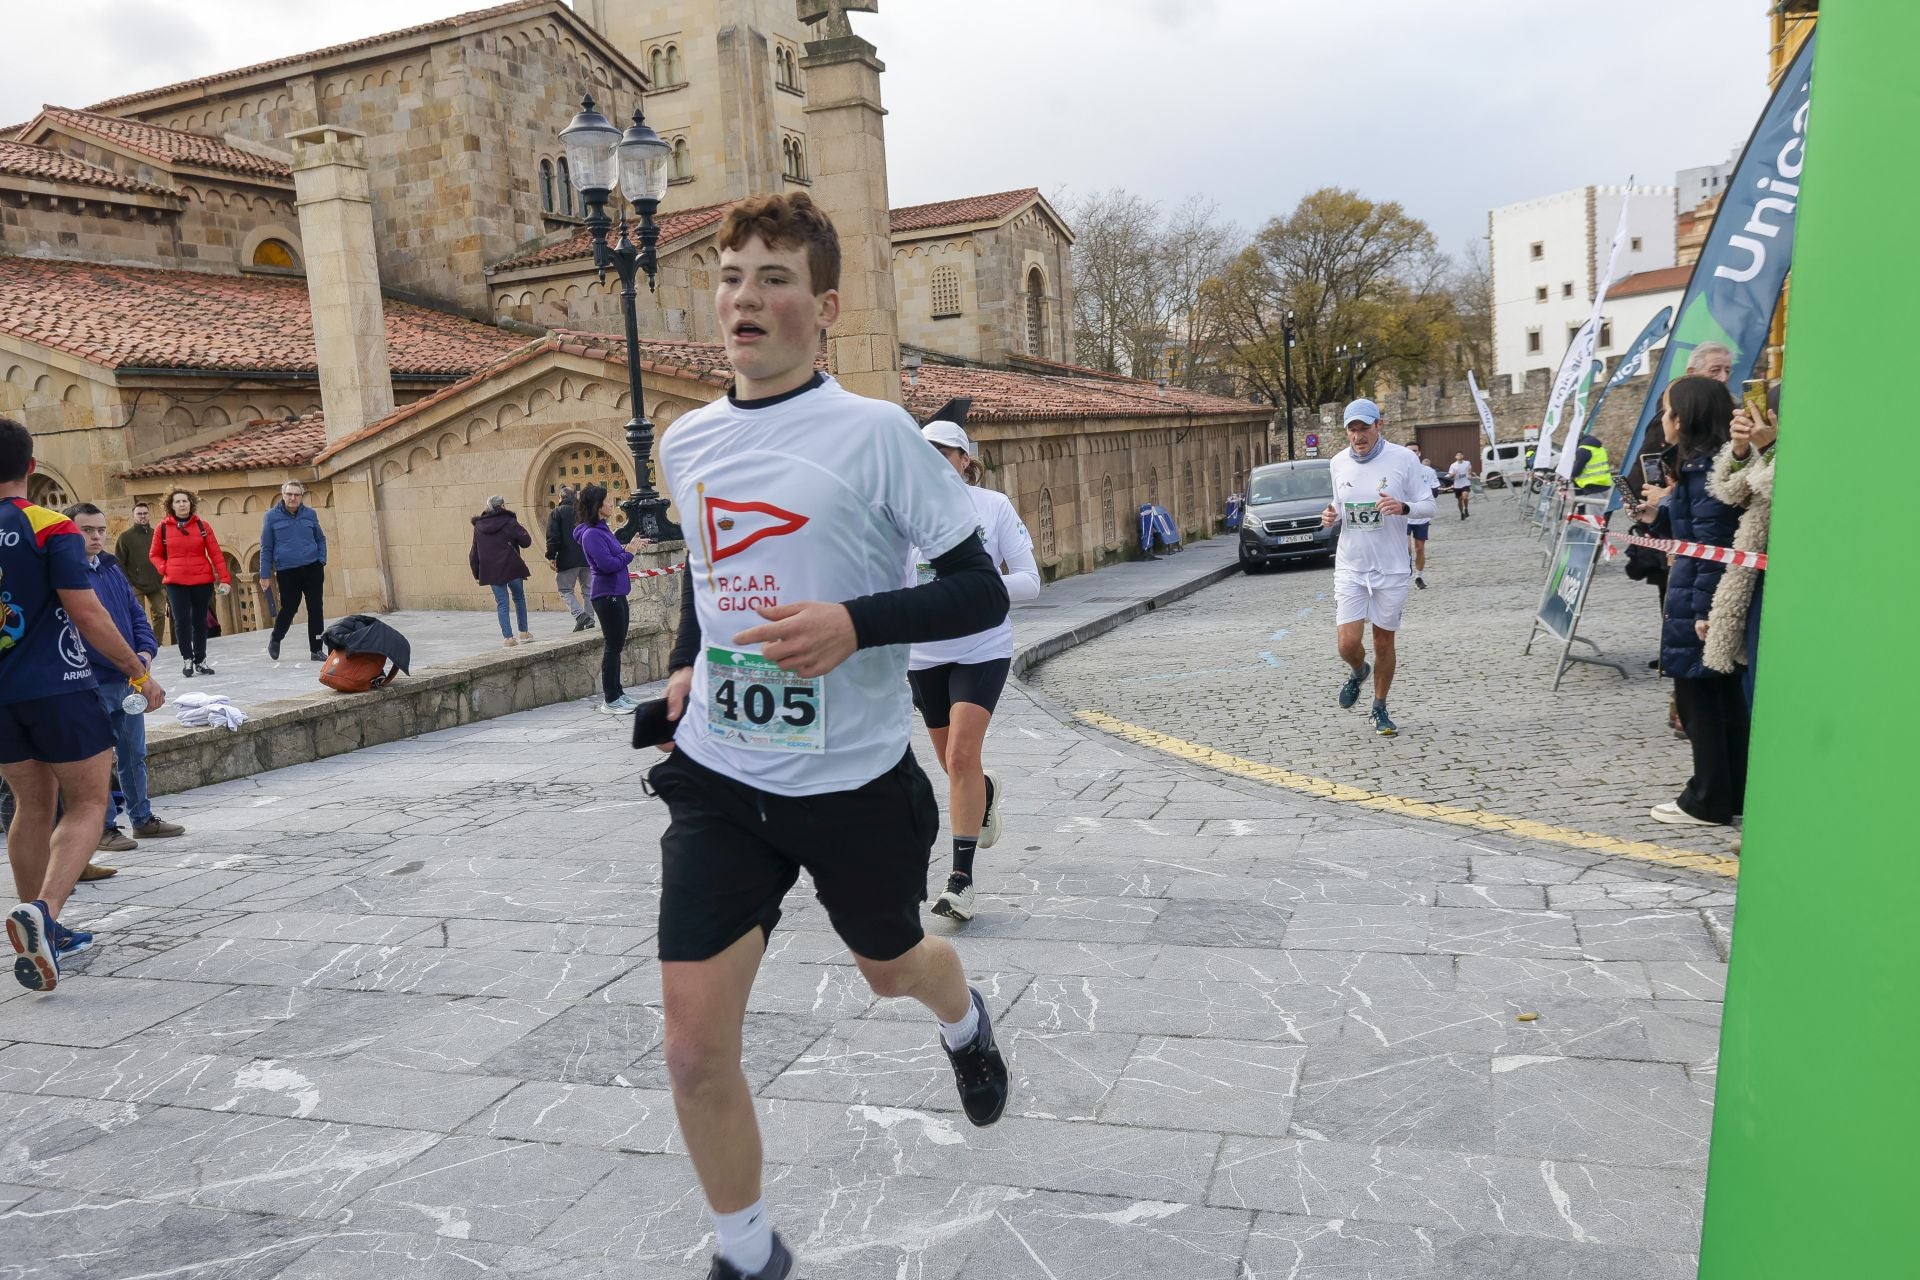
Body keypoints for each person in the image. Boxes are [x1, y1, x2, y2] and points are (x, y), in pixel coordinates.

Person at [648, 192, 1010, 1280]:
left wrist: (856, 623)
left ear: (826, 306)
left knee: (889, 965)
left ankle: (964, 1014)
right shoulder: (686, 441)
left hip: (852, 780)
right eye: (730, 276)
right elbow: (712, 577)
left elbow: (977, 593)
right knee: (690, 1044)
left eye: (773, 277)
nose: (745, 297)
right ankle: (749, 1251)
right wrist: (683, 658)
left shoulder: (876, 433)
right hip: (720, 773)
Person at [2, 419, 164, 992]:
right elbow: (87, 612)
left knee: (31, 801)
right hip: (58, 685)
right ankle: (44, 913)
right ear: (30, 465)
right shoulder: (49, 526)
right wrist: (137, 671)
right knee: (91, 800)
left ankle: (38, 924)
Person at [907, 418, 1040, 922]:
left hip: (981, 647)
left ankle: (960, 882)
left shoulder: (993, 507)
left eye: (945, 453)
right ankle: (984, 793)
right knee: (952, 764)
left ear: (965, 460)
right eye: (925, 454)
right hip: (923, 656)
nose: (934, 463)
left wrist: (973, 590)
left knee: (962, 755)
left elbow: (1030, 581)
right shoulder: (902, 516)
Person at [1635, 375, 1746, 827]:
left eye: (1667, 411)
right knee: (1721, 704)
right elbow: (1692, 535)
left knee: (1701, 705)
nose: (1662, 420)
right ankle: (1732, 793)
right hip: (1697, 597)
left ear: (1685, 417)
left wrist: (1704, 613)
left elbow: (1713, 548)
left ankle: (1706, 799)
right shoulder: (1699, 467)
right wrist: (1655, 517)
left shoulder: (1705, 473)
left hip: (1698, 604)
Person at [64, 504, 186, 865]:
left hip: (130, 678)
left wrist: (145, 654)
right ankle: (103, 828)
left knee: (134, 753)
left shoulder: (110, 567)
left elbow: (136, 614)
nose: (97, 537)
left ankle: (142, 818)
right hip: (93, 682)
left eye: (101, 530)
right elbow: (85, 631)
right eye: (87, 530)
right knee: (98, 761)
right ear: (71, 532)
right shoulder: (68, 576)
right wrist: (129, 663)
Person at [1320, 399, 1434, 737]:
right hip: (1351, 567)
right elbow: (1339, 505)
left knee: (1384, 642)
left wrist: (1404, 507)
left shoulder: (1403, 459)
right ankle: (1358, 671)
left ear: (1379, 426)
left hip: (1392, 567)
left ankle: (1379, 708)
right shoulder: (1338, 462)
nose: (1358, 436)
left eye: (1364, 428)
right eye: (1352, 430)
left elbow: (1428, 506)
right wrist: (1331, 515)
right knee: (1346, 644)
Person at [1706, 384, 1779, 709]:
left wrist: (1771, 449)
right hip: (1756, 582)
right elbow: (1734, 492)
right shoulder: (1767, 454)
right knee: (1756, 684)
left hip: (1795, 586)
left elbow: (1798, 498)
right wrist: (1740, 451)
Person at [573, 483, 644, 714]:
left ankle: (618, 693)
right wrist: (630, 553)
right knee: (612, 646)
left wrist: (630, 547)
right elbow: (607, 565)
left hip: (617, 592)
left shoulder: (602, 529)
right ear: (597, 505)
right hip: (606, 595)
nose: (611, 504)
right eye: (607, 501)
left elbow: (614, 556)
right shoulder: (592, 534)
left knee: (618, 644)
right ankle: (610, 699)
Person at [148, 488, 229, 677]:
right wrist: (165, 568)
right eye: (178, 502)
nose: (182, 505)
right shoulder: (163, 528)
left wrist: (225, 579)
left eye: (185, 501)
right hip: (175, 581)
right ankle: (187, 659)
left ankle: (200, 660)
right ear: (171, 505)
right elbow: (154, 554)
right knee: (181, 621)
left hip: (202, 580)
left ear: (191, 503)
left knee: (200, 622)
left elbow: (216, 554)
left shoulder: (203, 526)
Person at [259, 480, 327, 662]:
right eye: (289, 494)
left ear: (301, 496)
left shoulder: (310, 514)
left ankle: (316, 649)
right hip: (287, 571)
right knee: (289, 608)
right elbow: (266, 547)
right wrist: (264, 574)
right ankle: (276, 637)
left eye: (297, 494)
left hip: (312, 567)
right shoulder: (271, 517)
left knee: (316, 608)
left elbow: (320, 538)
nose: (293, 498)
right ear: (283, 495)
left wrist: (322, 559)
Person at [469, 495, 534, 647]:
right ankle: (524, 632)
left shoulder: (479, 526)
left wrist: (476, 572)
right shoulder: (510, 521)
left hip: (492, 571)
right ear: (503, 506)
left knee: (502, 603)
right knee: (519, 598)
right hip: (512, 567)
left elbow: (474, 552)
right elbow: (526, 542)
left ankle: (508, 638)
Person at [114, 501, 168, 645]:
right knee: (138, 616)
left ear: (149, 515)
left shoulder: (156, 534)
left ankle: (157, 643)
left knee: (160, 614)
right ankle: (142, 643)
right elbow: (119, 563)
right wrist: (128, 583)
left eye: (145, 513)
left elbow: (165, 555)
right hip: (135, 583)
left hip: (157, 582)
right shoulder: (125, 537)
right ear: (134, 516)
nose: (142, 516)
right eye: (139, 514)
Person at [546, 483, 596, 633]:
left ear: (561, 497)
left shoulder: (557, 513)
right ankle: (590, 620)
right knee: (587, 590)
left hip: (567, 558)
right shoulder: (584, 512)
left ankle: (580, 615)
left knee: (565, 590)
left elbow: (553, 537)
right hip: (587, 557)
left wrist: (551, 556)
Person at [1408, 454, 1440, 589]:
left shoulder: (1428, 471)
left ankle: (1418, 576)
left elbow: (1435, 491)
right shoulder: (1401, 469)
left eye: (1415, 451)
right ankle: (1405, 566)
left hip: (1421, 515)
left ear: (1419, 453)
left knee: (1419, 549)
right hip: (1403, 514)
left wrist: (1423, 498)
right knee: (1406, 548)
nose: (1413, 453)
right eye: (1410, 451)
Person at [1569, 432, 1613, 496]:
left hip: (1592, 486)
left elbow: (1576, 471)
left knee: (1592, 505)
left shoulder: (1583, 449)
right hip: (1605, 484)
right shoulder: (1599, 448)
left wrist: (1568, 473)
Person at [1447, 452, 1474, 518]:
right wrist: (1453, 475)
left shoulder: (1467, 463)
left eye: (1461, 454)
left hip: (1466, 483)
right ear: (1455, 457)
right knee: (1459, 500)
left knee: (1465, 497)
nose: (1459, 456)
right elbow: (1450, 475)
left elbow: (1470, 470)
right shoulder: (1453, 465)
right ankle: (1461, 513)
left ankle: (1466, 509)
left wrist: (1470, 475)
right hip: (1457, 485)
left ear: (1463, 456)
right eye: (1458, 455)